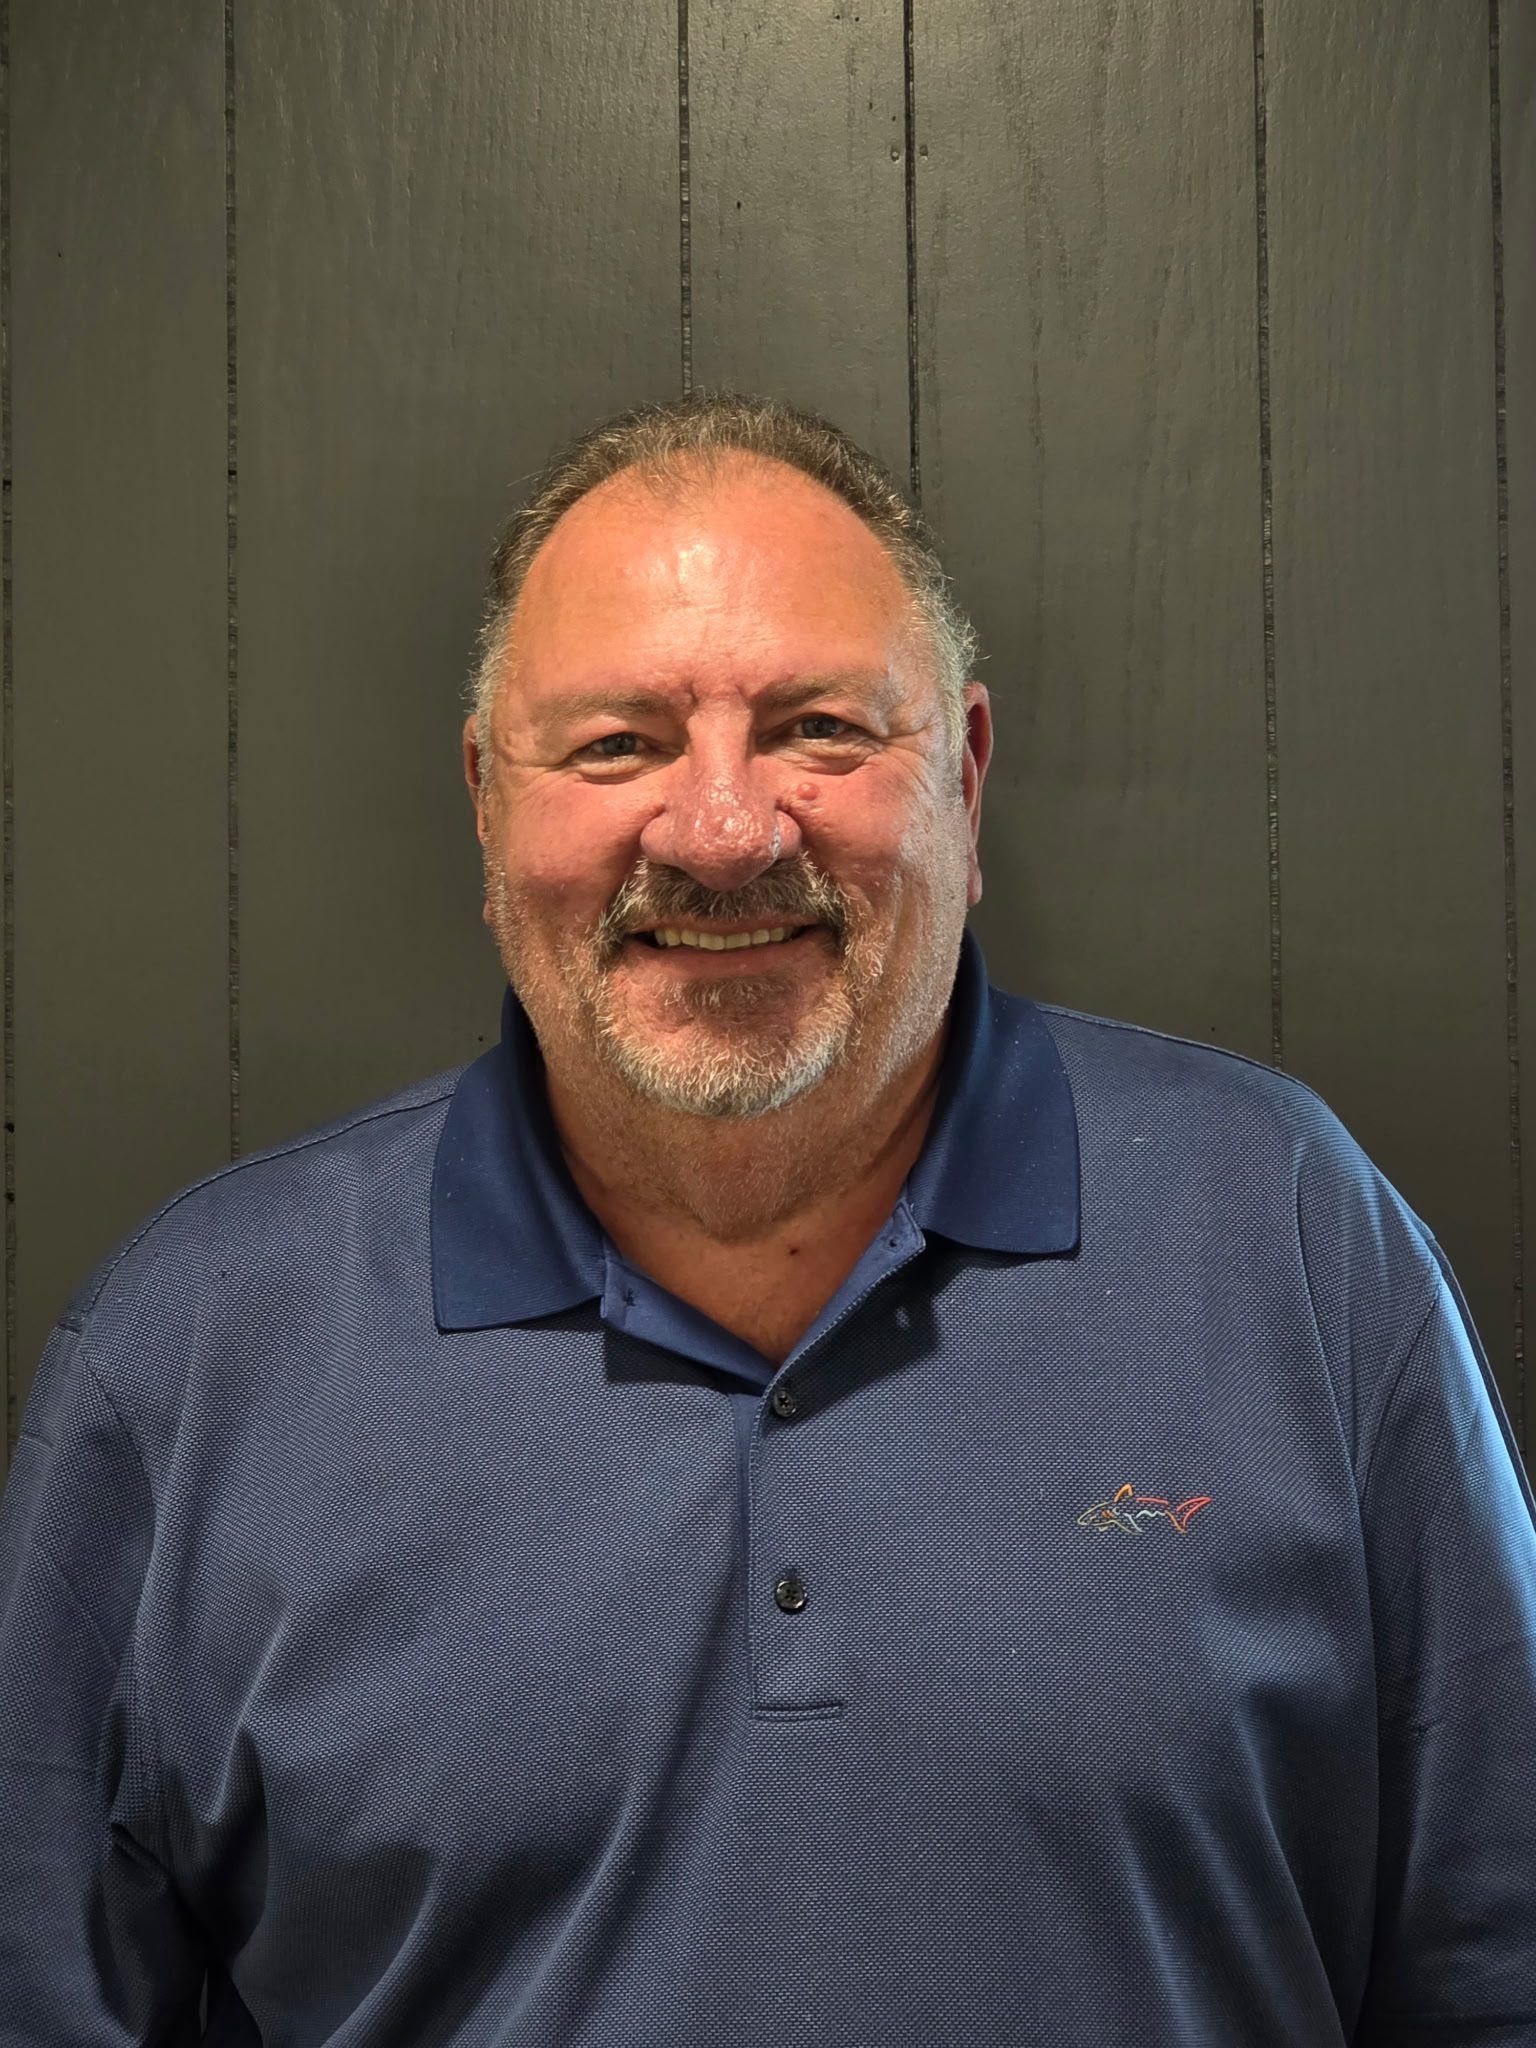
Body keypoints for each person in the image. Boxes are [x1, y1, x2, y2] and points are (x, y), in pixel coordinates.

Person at [1, 391, 1533, 2046]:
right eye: (618, 743)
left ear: (962, 764)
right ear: (483, 795)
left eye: (818, 729)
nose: (723, 831)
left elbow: (1496, 1968)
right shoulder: (194, 1356)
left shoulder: (1289, 1239)